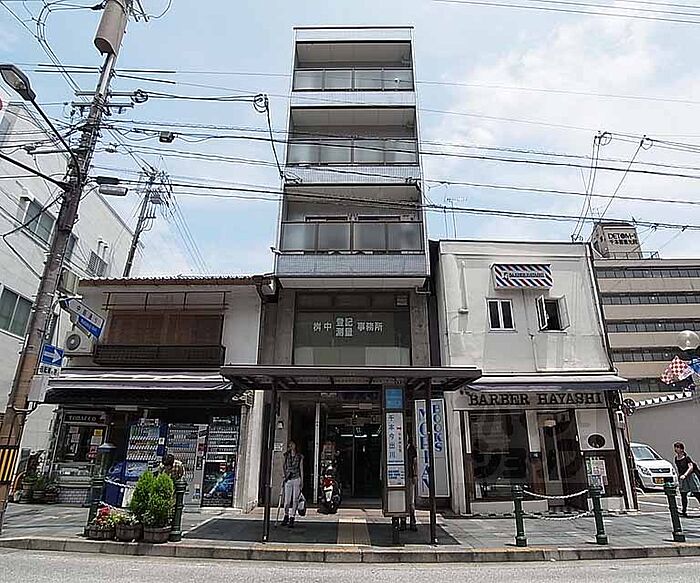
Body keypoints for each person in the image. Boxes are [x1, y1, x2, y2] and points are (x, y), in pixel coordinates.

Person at [673, 442, 700, 516]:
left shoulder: (686, 458)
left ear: (682, 449)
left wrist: (685, 475)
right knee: (683, 494)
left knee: (696, 493)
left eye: (677, 447)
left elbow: (691, 467)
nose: (676, 449)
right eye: (675, 447)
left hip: (690, 477)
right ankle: (684, 511)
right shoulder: (676, 458)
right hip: (683, 478)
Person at [281, 440, 304, 528]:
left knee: (295, 499)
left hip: (296, 478)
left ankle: (292, 517)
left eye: (293, 444)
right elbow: (283, 466)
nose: (291, 446)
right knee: (287, 501)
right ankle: (286, 515)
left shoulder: (299, 456)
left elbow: (301, 468)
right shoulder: (286, 455)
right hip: (288, 479)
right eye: (290, 445)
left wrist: (302, 480)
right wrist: (284, 475)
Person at [400, 435, 418, 532]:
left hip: (410, 477)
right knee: (402, 500)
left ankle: (412, 521)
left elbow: (415, 463)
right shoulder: (399, 448)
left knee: (411, 501)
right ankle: (403, 521)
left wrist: (415, 475)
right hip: (401, 477)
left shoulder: (412, 449)